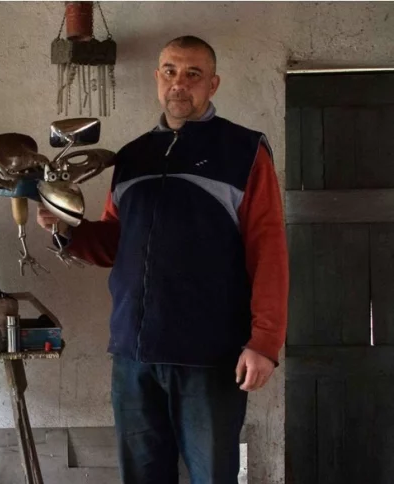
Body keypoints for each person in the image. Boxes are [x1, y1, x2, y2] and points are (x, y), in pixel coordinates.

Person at [37, 35, 288, 484]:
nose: (179, 83)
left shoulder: (244, 151)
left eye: (193, 74)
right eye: (170, 71)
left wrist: (265, 342)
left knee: (212, 476)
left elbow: (268, 251)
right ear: (157, 78)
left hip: (210, 355)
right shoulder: (132, 157)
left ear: (213, 84)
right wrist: (67, 230)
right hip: (134, 355)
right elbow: (115, 242)